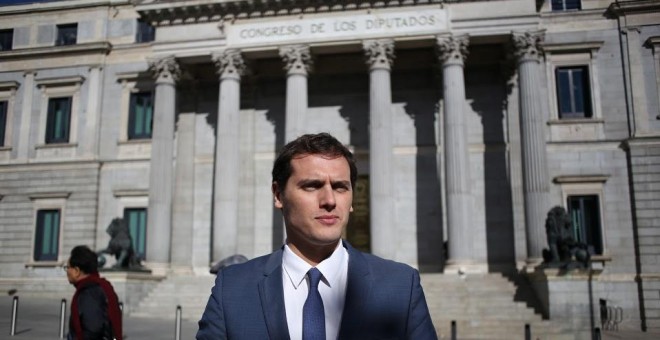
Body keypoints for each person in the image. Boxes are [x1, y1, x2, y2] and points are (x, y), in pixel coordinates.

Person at [197, 132, 437, 339]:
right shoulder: (232, 289)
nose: (330, 201)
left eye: (341, 187)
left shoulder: (401, 286)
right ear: (278, 194)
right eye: (312, 186)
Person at [65, 245, 122, 340]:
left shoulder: (89, 292)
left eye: (67, 267)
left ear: (77, 271)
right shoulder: (99, 286)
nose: (66, 271)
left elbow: (93, 328)